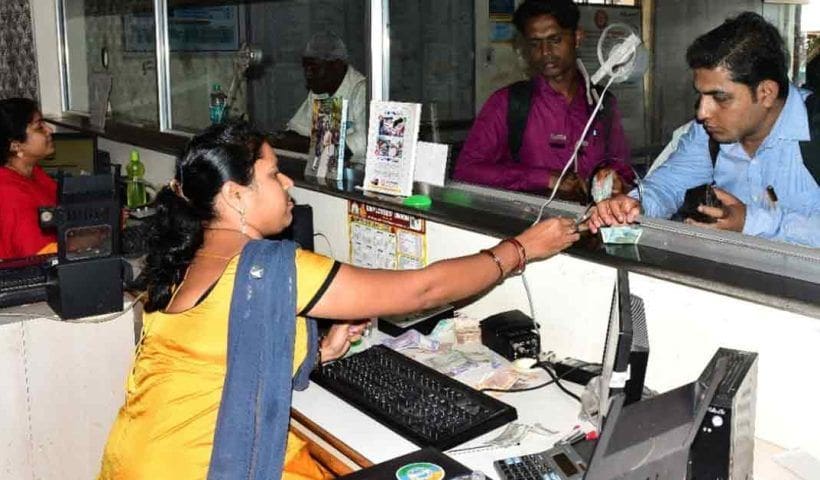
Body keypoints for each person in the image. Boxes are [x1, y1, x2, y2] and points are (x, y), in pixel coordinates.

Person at [97, 121, 580, 480]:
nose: (287, 183)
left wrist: (321, 350)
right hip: (195, 466)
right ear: (235, 196)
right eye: (272, 175)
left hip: (134, 456)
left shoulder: (185, 254)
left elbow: (213, 358)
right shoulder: (269, 265)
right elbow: (423, 289)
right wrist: (519, 249)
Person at [588, 13, 820, 248]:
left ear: (766, 93)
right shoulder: (709, 134)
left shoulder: (814, 132)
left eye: (720, 97)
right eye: (701, 94)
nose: (702, 113)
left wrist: (750, 222)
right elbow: (668, 185)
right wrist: (633, 205)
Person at [453, 0, 633, 200]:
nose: (545, 52)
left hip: (592, 225)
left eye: (555, 40)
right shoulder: (509, 103)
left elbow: (623, 168)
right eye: (535, 43)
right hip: (532, 225)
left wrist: (616, 180)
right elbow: (466, 170)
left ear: (577, 38)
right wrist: (543, 178)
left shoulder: (602, 103)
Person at [279, 32, 366, 166]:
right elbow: (298, 130)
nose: (307, 74)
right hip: (325, 171)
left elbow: (363, 141)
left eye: (314, 68)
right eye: (305, 67)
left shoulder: (361, 90)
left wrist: (317, 146)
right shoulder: (319, 90)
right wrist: (275, 139)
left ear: (336, 65)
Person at [0, 97, 57, 259]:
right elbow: (42, 254)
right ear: (16, 145)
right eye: (39, 127)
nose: (49, 130)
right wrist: (98, 237)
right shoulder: (9, 192)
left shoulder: (34, 173)